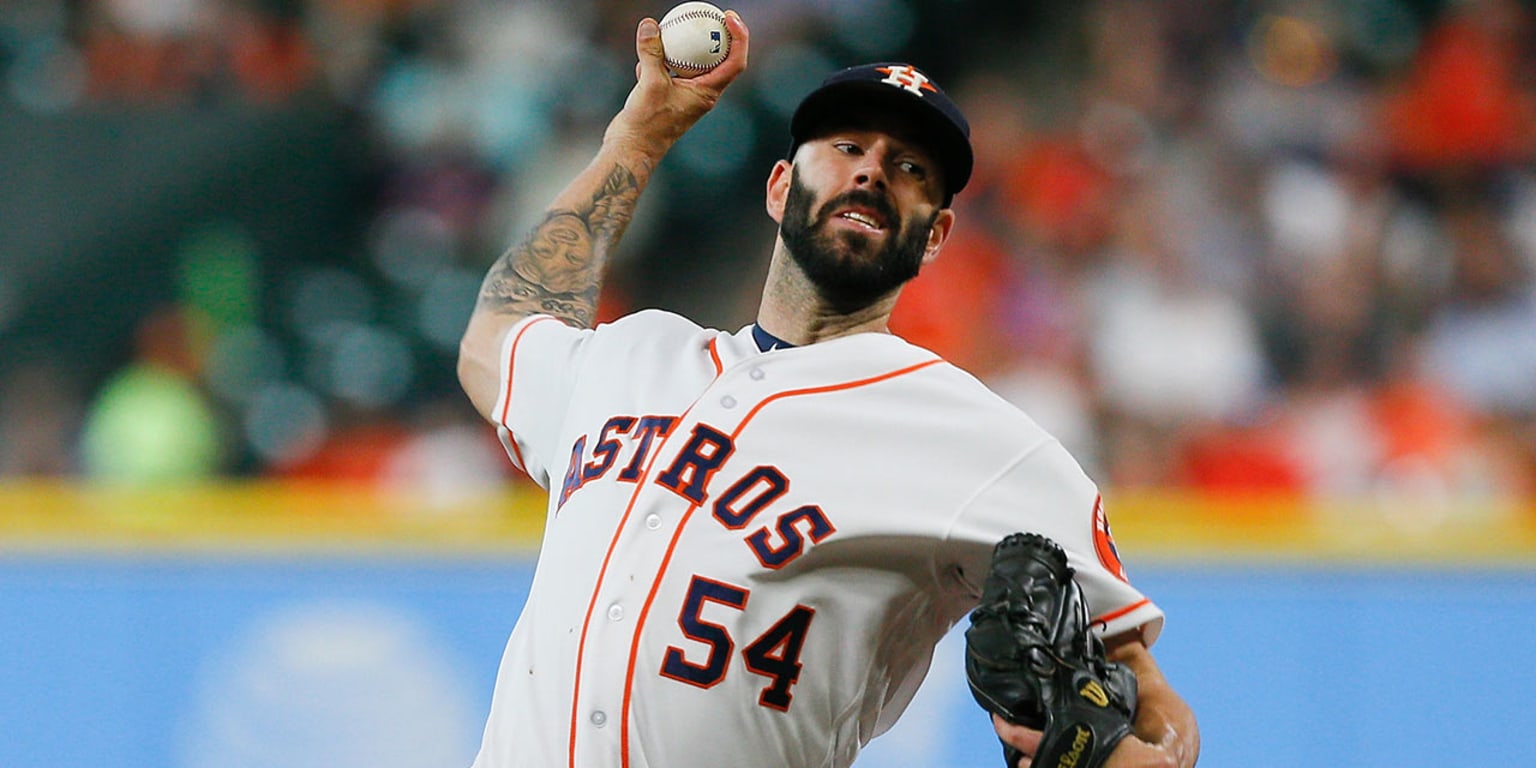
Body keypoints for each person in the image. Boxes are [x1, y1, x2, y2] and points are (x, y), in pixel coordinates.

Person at [456, 10, 1199, 768]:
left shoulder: (980, 442)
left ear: (936, 236)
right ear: (780, 189)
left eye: (912, 169)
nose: (874, 170)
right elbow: (498, 334)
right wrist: (637, 138)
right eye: (847, 147)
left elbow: (1154, 718)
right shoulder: (633, 356)